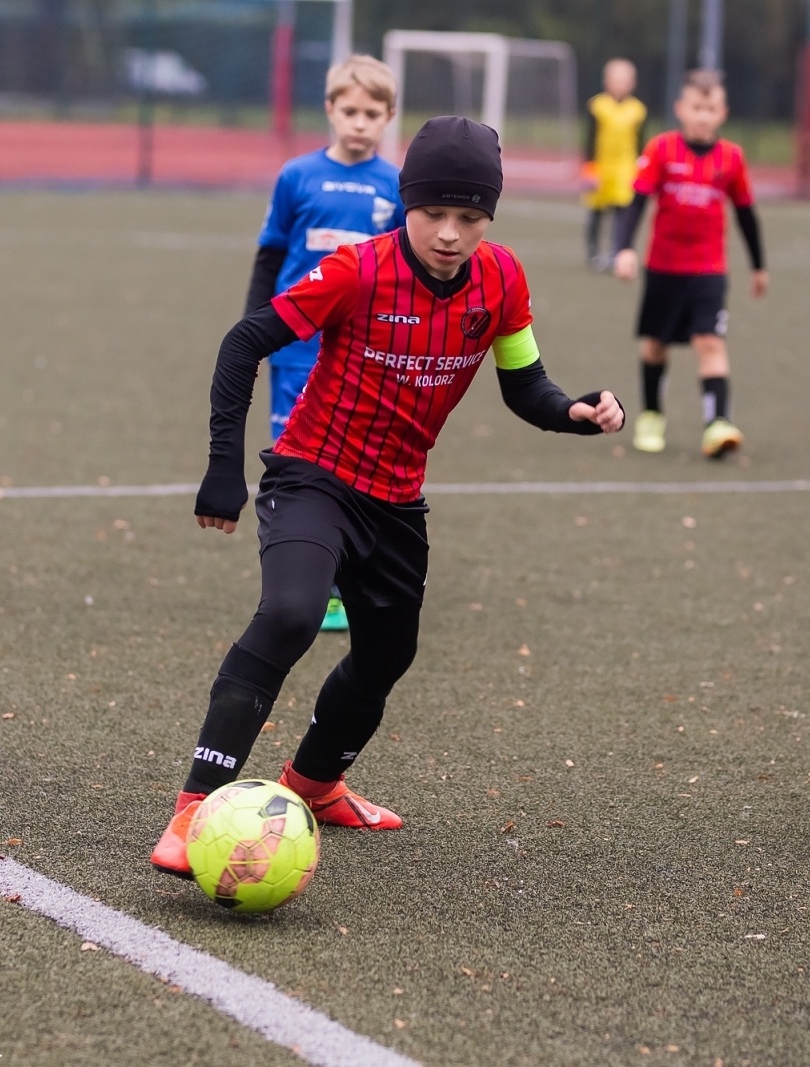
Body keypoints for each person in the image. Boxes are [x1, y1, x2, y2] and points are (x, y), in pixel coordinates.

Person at [151, 116, 626, 878]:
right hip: (314, 475)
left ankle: (314, 783)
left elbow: (525, 383)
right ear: (406, 204)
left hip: (397, 497)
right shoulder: (356, 270)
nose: (449, 233)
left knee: (387, 652)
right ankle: (191, 807)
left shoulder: (503, 278)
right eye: (434, 213)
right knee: (290, 614)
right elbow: (245, 341)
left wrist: (572, 410)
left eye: (469, 218)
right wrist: (222, 470)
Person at [245, 54, 405, 632]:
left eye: (372, 113)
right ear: (330, 111)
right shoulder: (296, 176)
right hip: (295, 346)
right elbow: (270, 254)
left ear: (388, 116)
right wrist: (255, 327)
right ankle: (298, 570)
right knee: (297, 461)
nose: (359, 122)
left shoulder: (395, 186)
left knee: (354, 463)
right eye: (349, 111)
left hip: (364, 350)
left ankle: (344, 580)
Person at [612, 68, 766, 460]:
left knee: (710, 342)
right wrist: (624, 248)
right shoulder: (662, 149)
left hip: (708, 269)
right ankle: (651, 415)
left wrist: (759, 266)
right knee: (656, 345)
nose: (703, 116)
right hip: (663, 266)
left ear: (722, 112)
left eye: (710, 108)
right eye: (696, 107)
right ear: (681, 108)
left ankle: (717, 424)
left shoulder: (732, 158)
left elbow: (747, 214)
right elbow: (636, 202)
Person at [582, 58, 646, 271]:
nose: (619, 84)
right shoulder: (597, 106)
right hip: (602, 168)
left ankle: (617, 252)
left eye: (624, 80)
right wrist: (590, 169)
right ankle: (593, 253)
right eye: (615, 79)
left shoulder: (638, 110)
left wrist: (641, 169)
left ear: (632, 83)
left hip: (626, 170)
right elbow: (590, 140)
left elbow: (640, 143)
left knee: (623, 213)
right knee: (597, 212)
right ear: (606, 81)